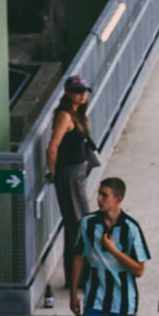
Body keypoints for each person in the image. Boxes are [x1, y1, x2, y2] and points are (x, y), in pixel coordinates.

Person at [71, 176, 150, 316]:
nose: (99, 199)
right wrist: (73, 293)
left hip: (122, 304)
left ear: (118, 198)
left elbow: (139, 269)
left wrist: (114, 250)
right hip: (94, 301)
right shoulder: (88, 224)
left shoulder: (130, 228)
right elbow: (79, 257)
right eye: (99, 194)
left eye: (104, 195)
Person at [47, 76, 98, 280]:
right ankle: (82, 276)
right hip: (68, 174)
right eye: (78, 91)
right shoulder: (65, 116)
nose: (82, 94)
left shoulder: (78, 115)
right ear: (67, 93)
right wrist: (53, 174)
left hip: (77, 173)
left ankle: (75, 276)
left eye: (84, 91)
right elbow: (52, 148)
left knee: (76, 224)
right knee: (79, 224)